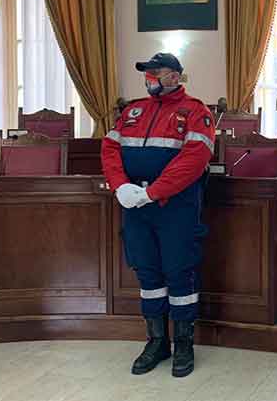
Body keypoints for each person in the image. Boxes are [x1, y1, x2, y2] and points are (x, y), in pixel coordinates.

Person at [101, 52, 215, 378]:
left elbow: (193, 160)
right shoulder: (133, 110)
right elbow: (109, 148)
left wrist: (153, 192)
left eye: (156, 72)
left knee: (180, 273)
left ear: (175, 76)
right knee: (147, 274)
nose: (150, 77)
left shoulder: (196, 112)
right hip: (134, 205)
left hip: (174, 207)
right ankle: (156, 342)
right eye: (147, 73)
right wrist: (120, 186)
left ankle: (183, 344)